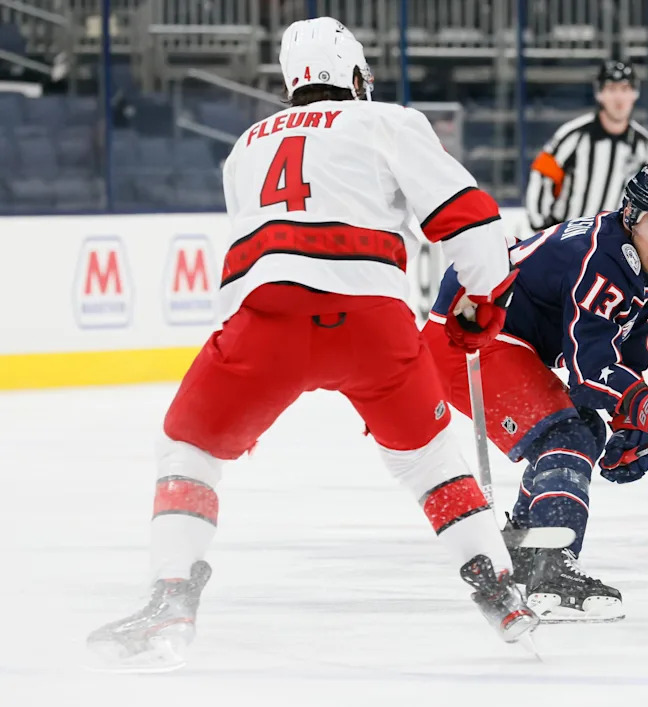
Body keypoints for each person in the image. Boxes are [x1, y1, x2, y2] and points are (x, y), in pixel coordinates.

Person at [86, 17, 537, 670]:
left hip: (267, 319)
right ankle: (501, 590)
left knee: (188, 446)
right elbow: (472, 224)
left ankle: (172, 595)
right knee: (428, 459)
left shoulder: (246, 145)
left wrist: (237, 376)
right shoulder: (385, 121)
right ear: (355, 77)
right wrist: (479, 303)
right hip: (374, 323)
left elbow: (247, 257)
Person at [423, 163, 648, 623]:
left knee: (584, 432)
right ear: (632, 214)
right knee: (568, 435)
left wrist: (630, 426)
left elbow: (624, 344)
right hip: (470, 340)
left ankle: (525, 546)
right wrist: (646, 403)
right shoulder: (603, 258)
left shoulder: (640, 258)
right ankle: (551, 566)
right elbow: (589, 369)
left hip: (505, 343)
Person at [525, 60, 648, 232]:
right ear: (599, 93)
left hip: (612, 245)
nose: (619, 97)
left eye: (625, 89)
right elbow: (542, 177)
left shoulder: (646, 147)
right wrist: (542, 228)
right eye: (611, 89)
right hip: (565, 240)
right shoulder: (572, 135)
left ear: (635, 93)